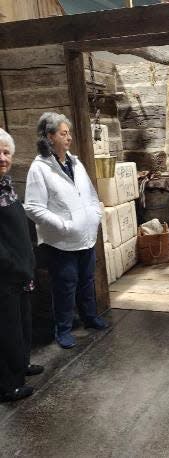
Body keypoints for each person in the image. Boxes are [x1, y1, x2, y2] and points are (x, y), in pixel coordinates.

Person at [24, 112, 108, 350]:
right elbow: (33, 207)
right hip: (61, 242)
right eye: (64, 133)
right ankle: (63, 328)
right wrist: (63, 225)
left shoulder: (75, 163)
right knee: (65, 285)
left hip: (85, 236)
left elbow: (90, 195)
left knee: (86, 280)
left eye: (69, 133)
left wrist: (95, 216)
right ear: (50, 137)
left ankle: (89, 317)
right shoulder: (39, 168)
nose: (69, 137)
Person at [0, 128, 44, 402]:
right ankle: (8, 384)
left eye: (6, 152)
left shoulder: (6, 185)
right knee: (7, 331)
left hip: (20, 271)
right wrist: (14, 265)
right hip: (5, 275)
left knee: (23, 325)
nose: (3, 158)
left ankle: (22, 365)